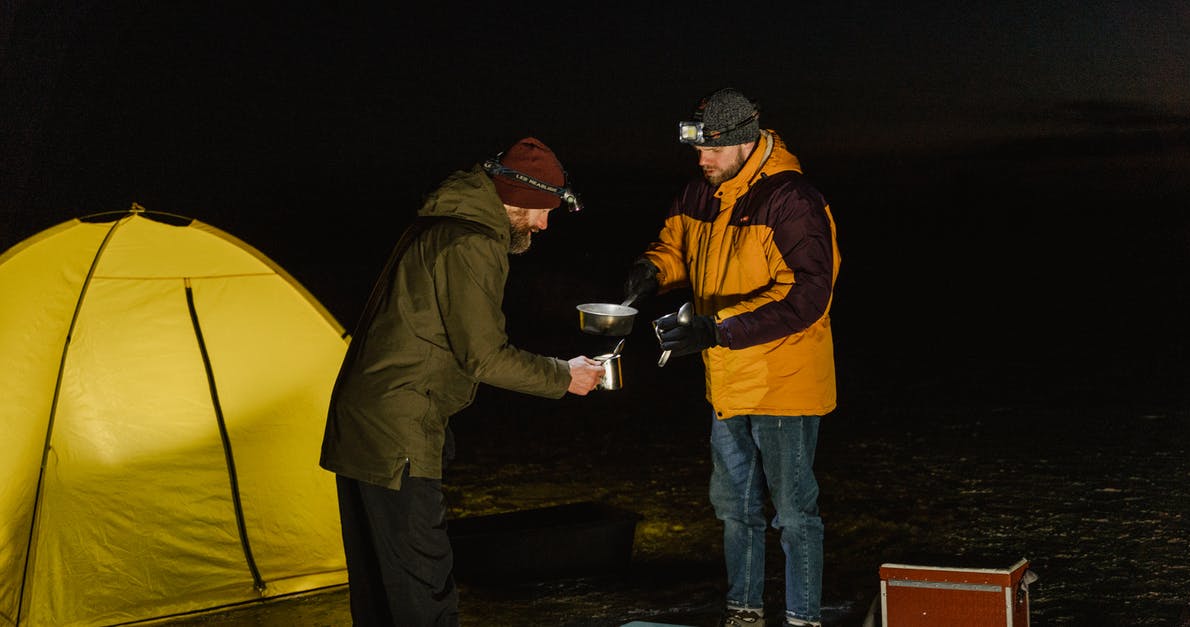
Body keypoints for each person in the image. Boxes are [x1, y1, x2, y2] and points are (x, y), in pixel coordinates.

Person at [320, 137, 606, 626]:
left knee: (380, 595)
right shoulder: (473, 242)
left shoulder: (439, 224)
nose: (543, 223)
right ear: (515, 199)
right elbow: (485, 357)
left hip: (365, 426)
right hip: (397, 435)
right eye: (541, 211)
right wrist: (564, 376)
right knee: (422, 591)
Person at [624, 88, 840, 627]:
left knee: (793, 514)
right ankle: (743, 613)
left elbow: (808, 293)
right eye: (699, 149)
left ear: (745, 141)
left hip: (784, 383)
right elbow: (677, 245)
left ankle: (802, 617)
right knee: (733, 509)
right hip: (725, 380)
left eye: (714, 149)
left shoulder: (792, 199)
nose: (703, 160)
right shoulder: (703, 192)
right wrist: (653, 269)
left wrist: (717, 328)